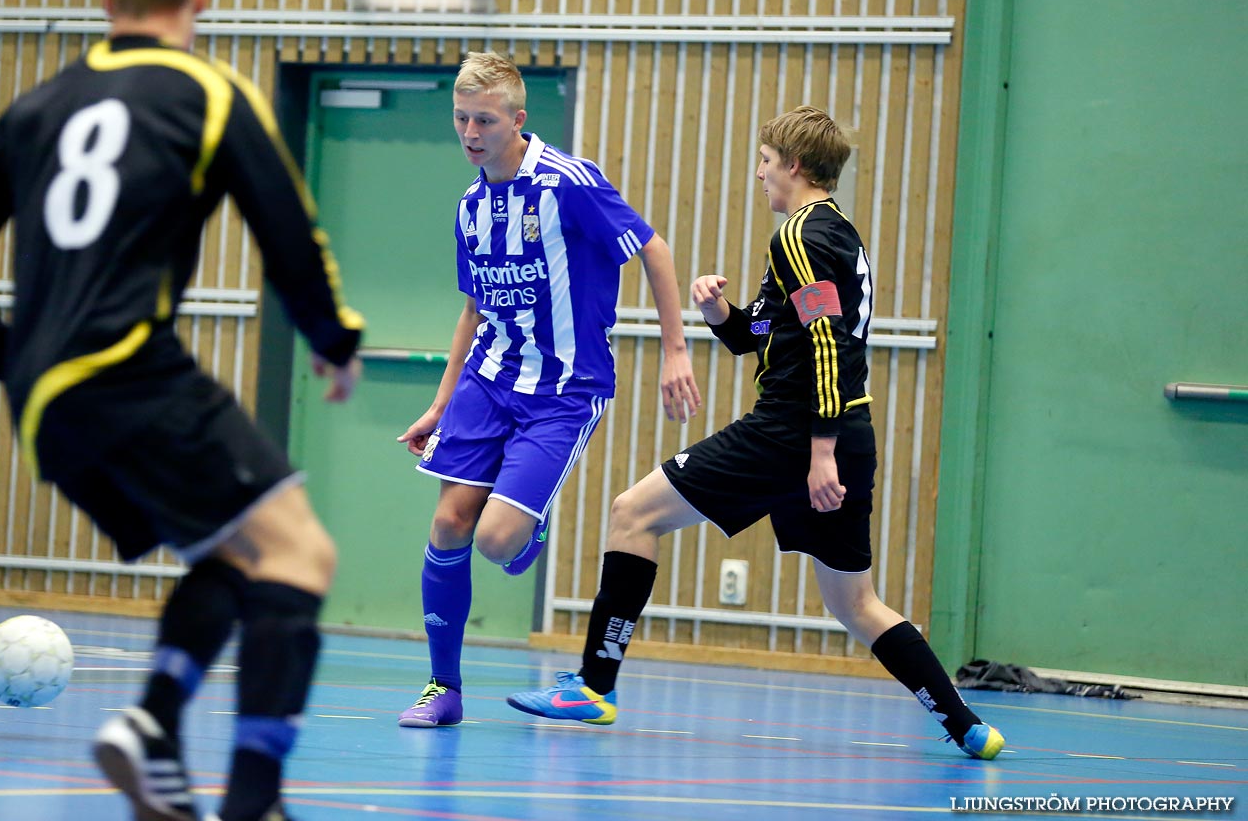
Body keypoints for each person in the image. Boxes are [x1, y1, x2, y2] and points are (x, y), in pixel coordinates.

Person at [0, 0, 363, 821]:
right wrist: (334, 338)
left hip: (47, 405)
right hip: (131, 373)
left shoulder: (40, 105)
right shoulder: (209, 93)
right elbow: (288, 232)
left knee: (237, 552)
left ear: (107, 1)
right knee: (302, 551)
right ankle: (252, 801)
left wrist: (12, 365)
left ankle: (154, 728)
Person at [505, 105, 1006, 760]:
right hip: (842, 430)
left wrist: (818, 453)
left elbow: (829, 344)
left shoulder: (801, 237)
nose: (759, 174)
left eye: (765, 161)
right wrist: (720, 312)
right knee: (858, 603)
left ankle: (594, 687)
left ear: (794, 166)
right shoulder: (829, 236)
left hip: (793, 433)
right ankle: (966, 723)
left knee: (631, 514)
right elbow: (761, 332)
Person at [393, 51, 701, 727]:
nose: (471, 133)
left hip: (563, 390)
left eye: (486, 121)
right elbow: (473, 310)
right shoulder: (471, 206)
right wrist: (440, 404)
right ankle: (443, 688)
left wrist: (676, 351)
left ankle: (522, 531)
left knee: (496, 540)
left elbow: (653, 248)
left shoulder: (569, 183)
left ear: (518, 119)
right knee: (449, 523)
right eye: (461, 119)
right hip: (489, 379)